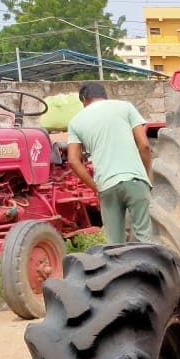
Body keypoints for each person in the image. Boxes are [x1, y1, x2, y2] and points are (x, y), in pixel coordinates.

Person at [67, 81, 153, 244]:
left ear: (84, 99)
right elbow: (144, 145)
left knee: (114, 245)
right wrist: (145, 176)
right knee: (145, 240)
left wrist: (95, 187)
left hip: (106, 186)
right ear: (105, 96)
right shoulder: (125, 107)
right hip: (136, 181)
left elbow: (73, 160)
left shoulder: (75, 122)